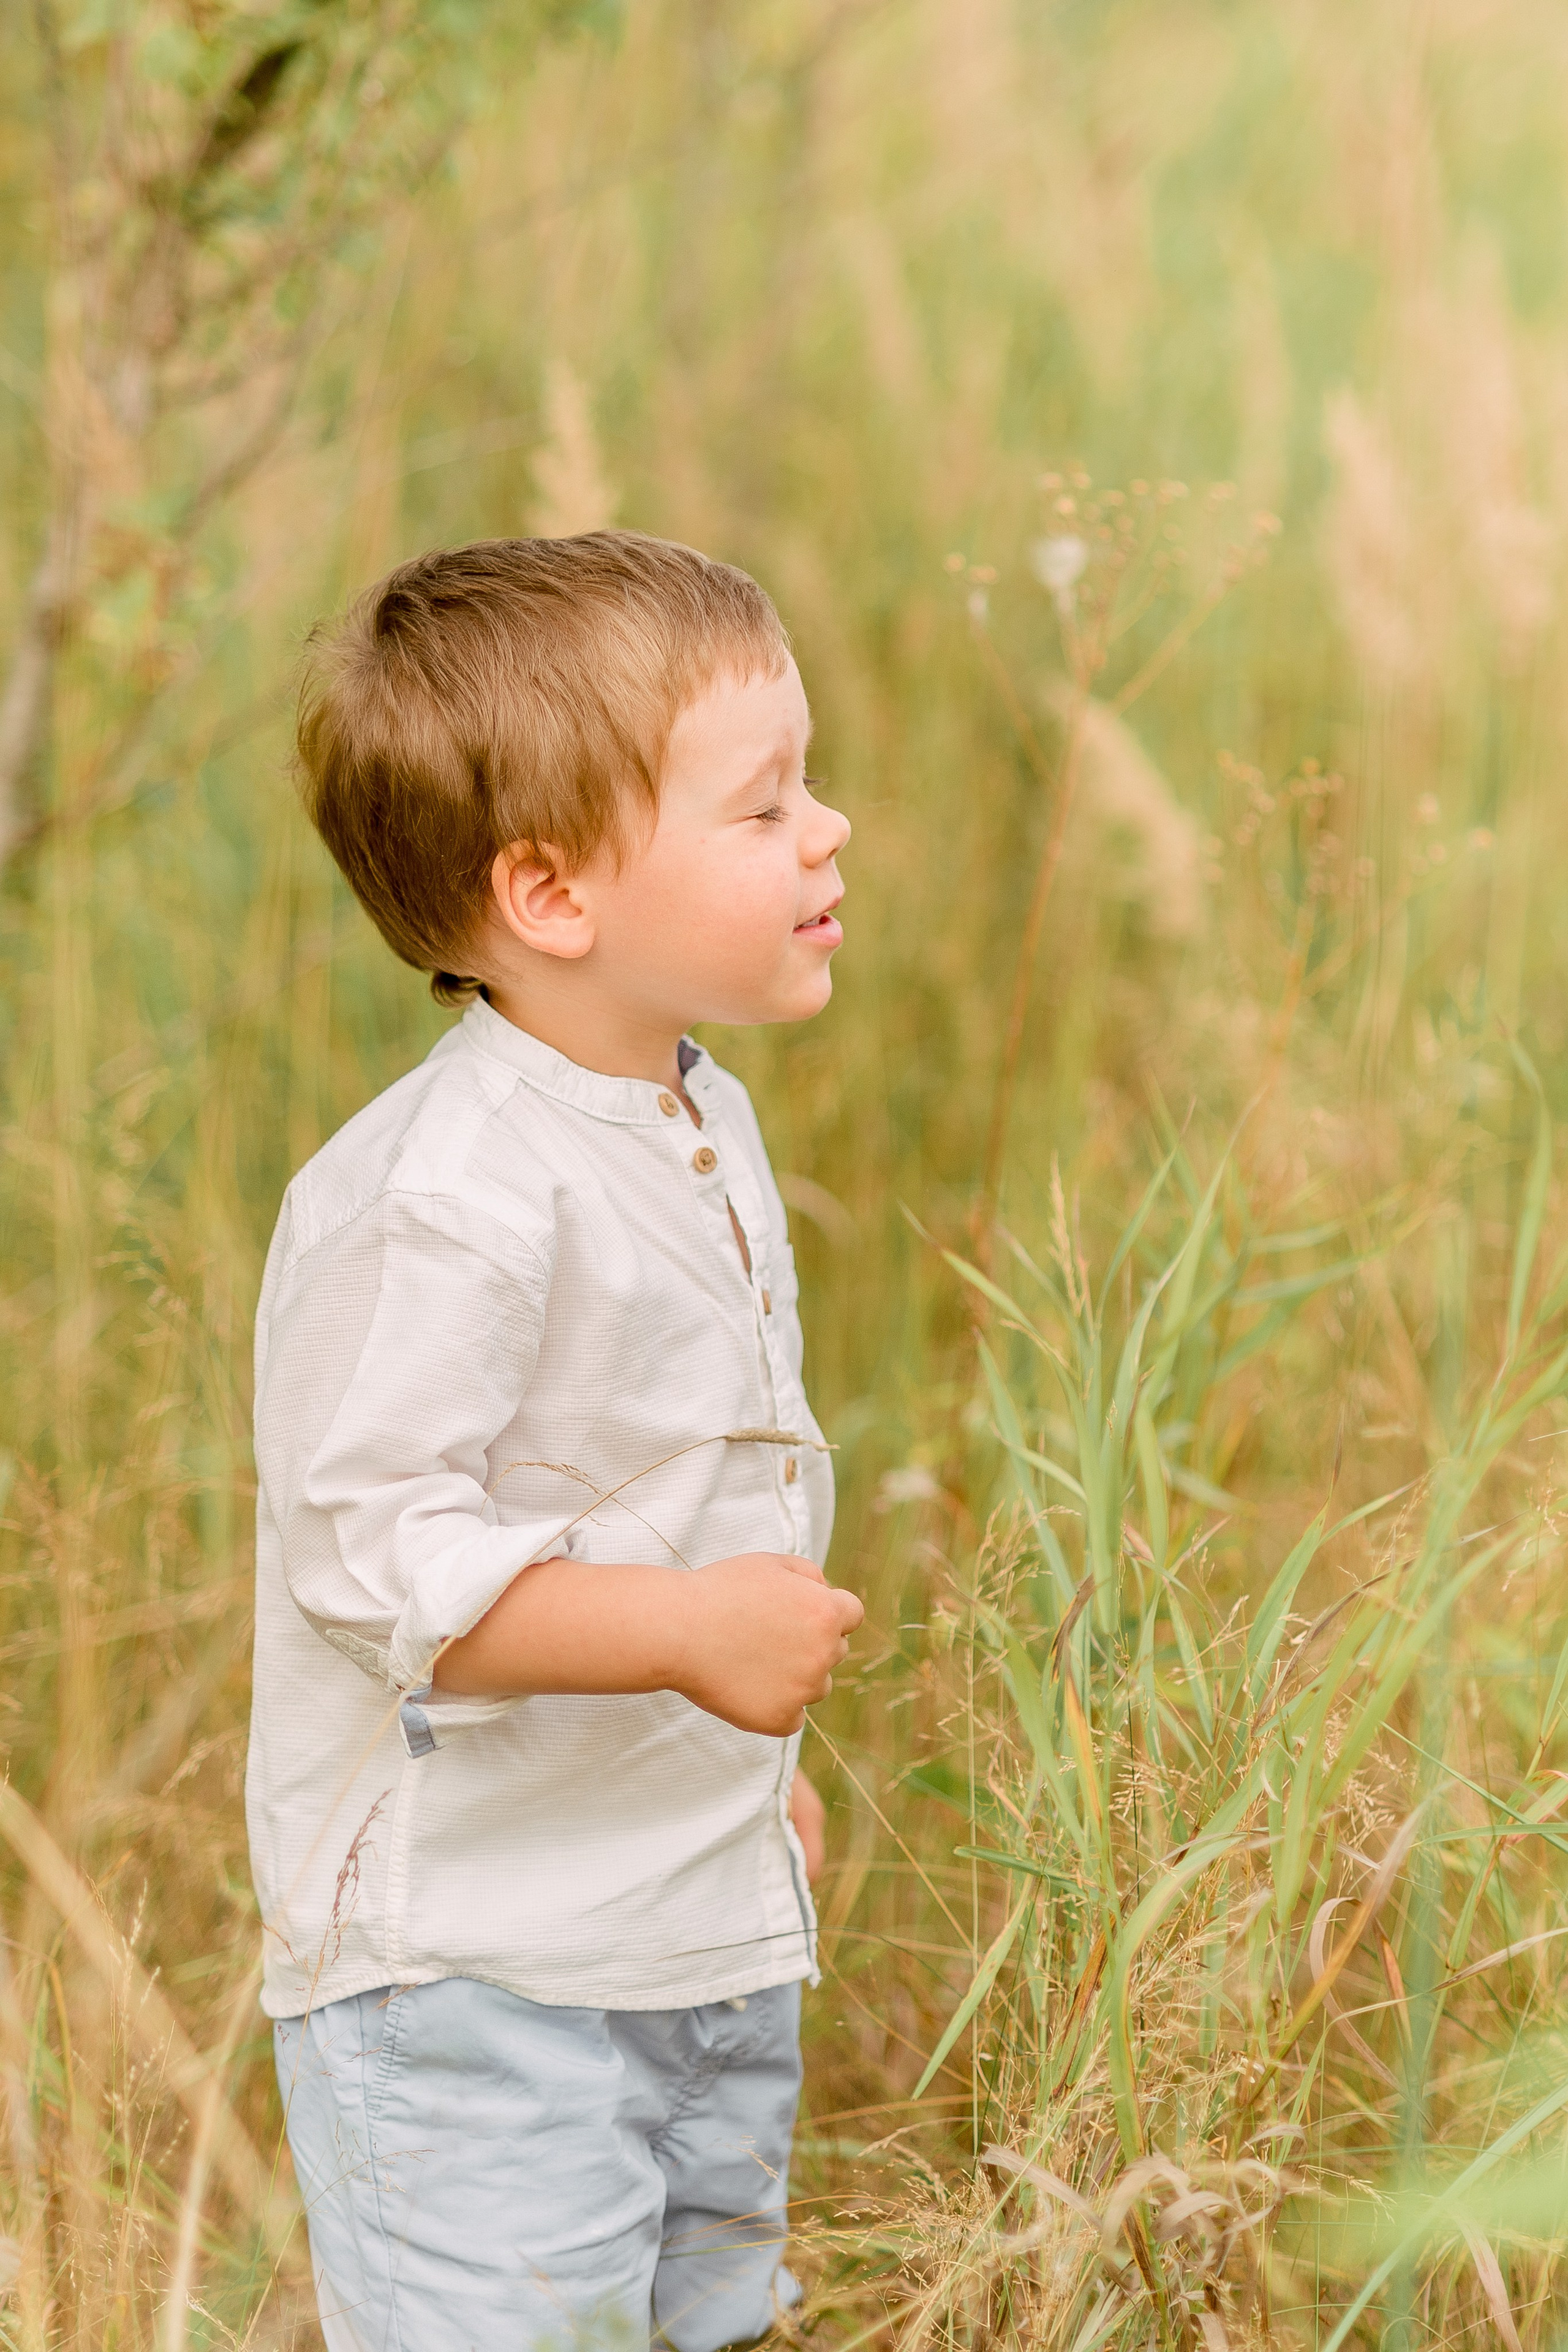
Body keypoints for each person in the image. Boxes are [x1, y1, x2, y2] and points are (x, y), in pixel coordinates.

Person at [245, 533, 864, 2351]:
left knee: (707, 2319)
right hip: (479, 1980)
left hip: (686, 1929)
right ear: (550, 892)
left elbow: (675, 1482)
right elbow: (379, 1562)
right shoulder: (445, 1199)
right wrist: (685, 1639)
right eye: (764, 808)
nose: (827, 833)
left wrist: (737, 1784)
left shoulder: (691, 1105)